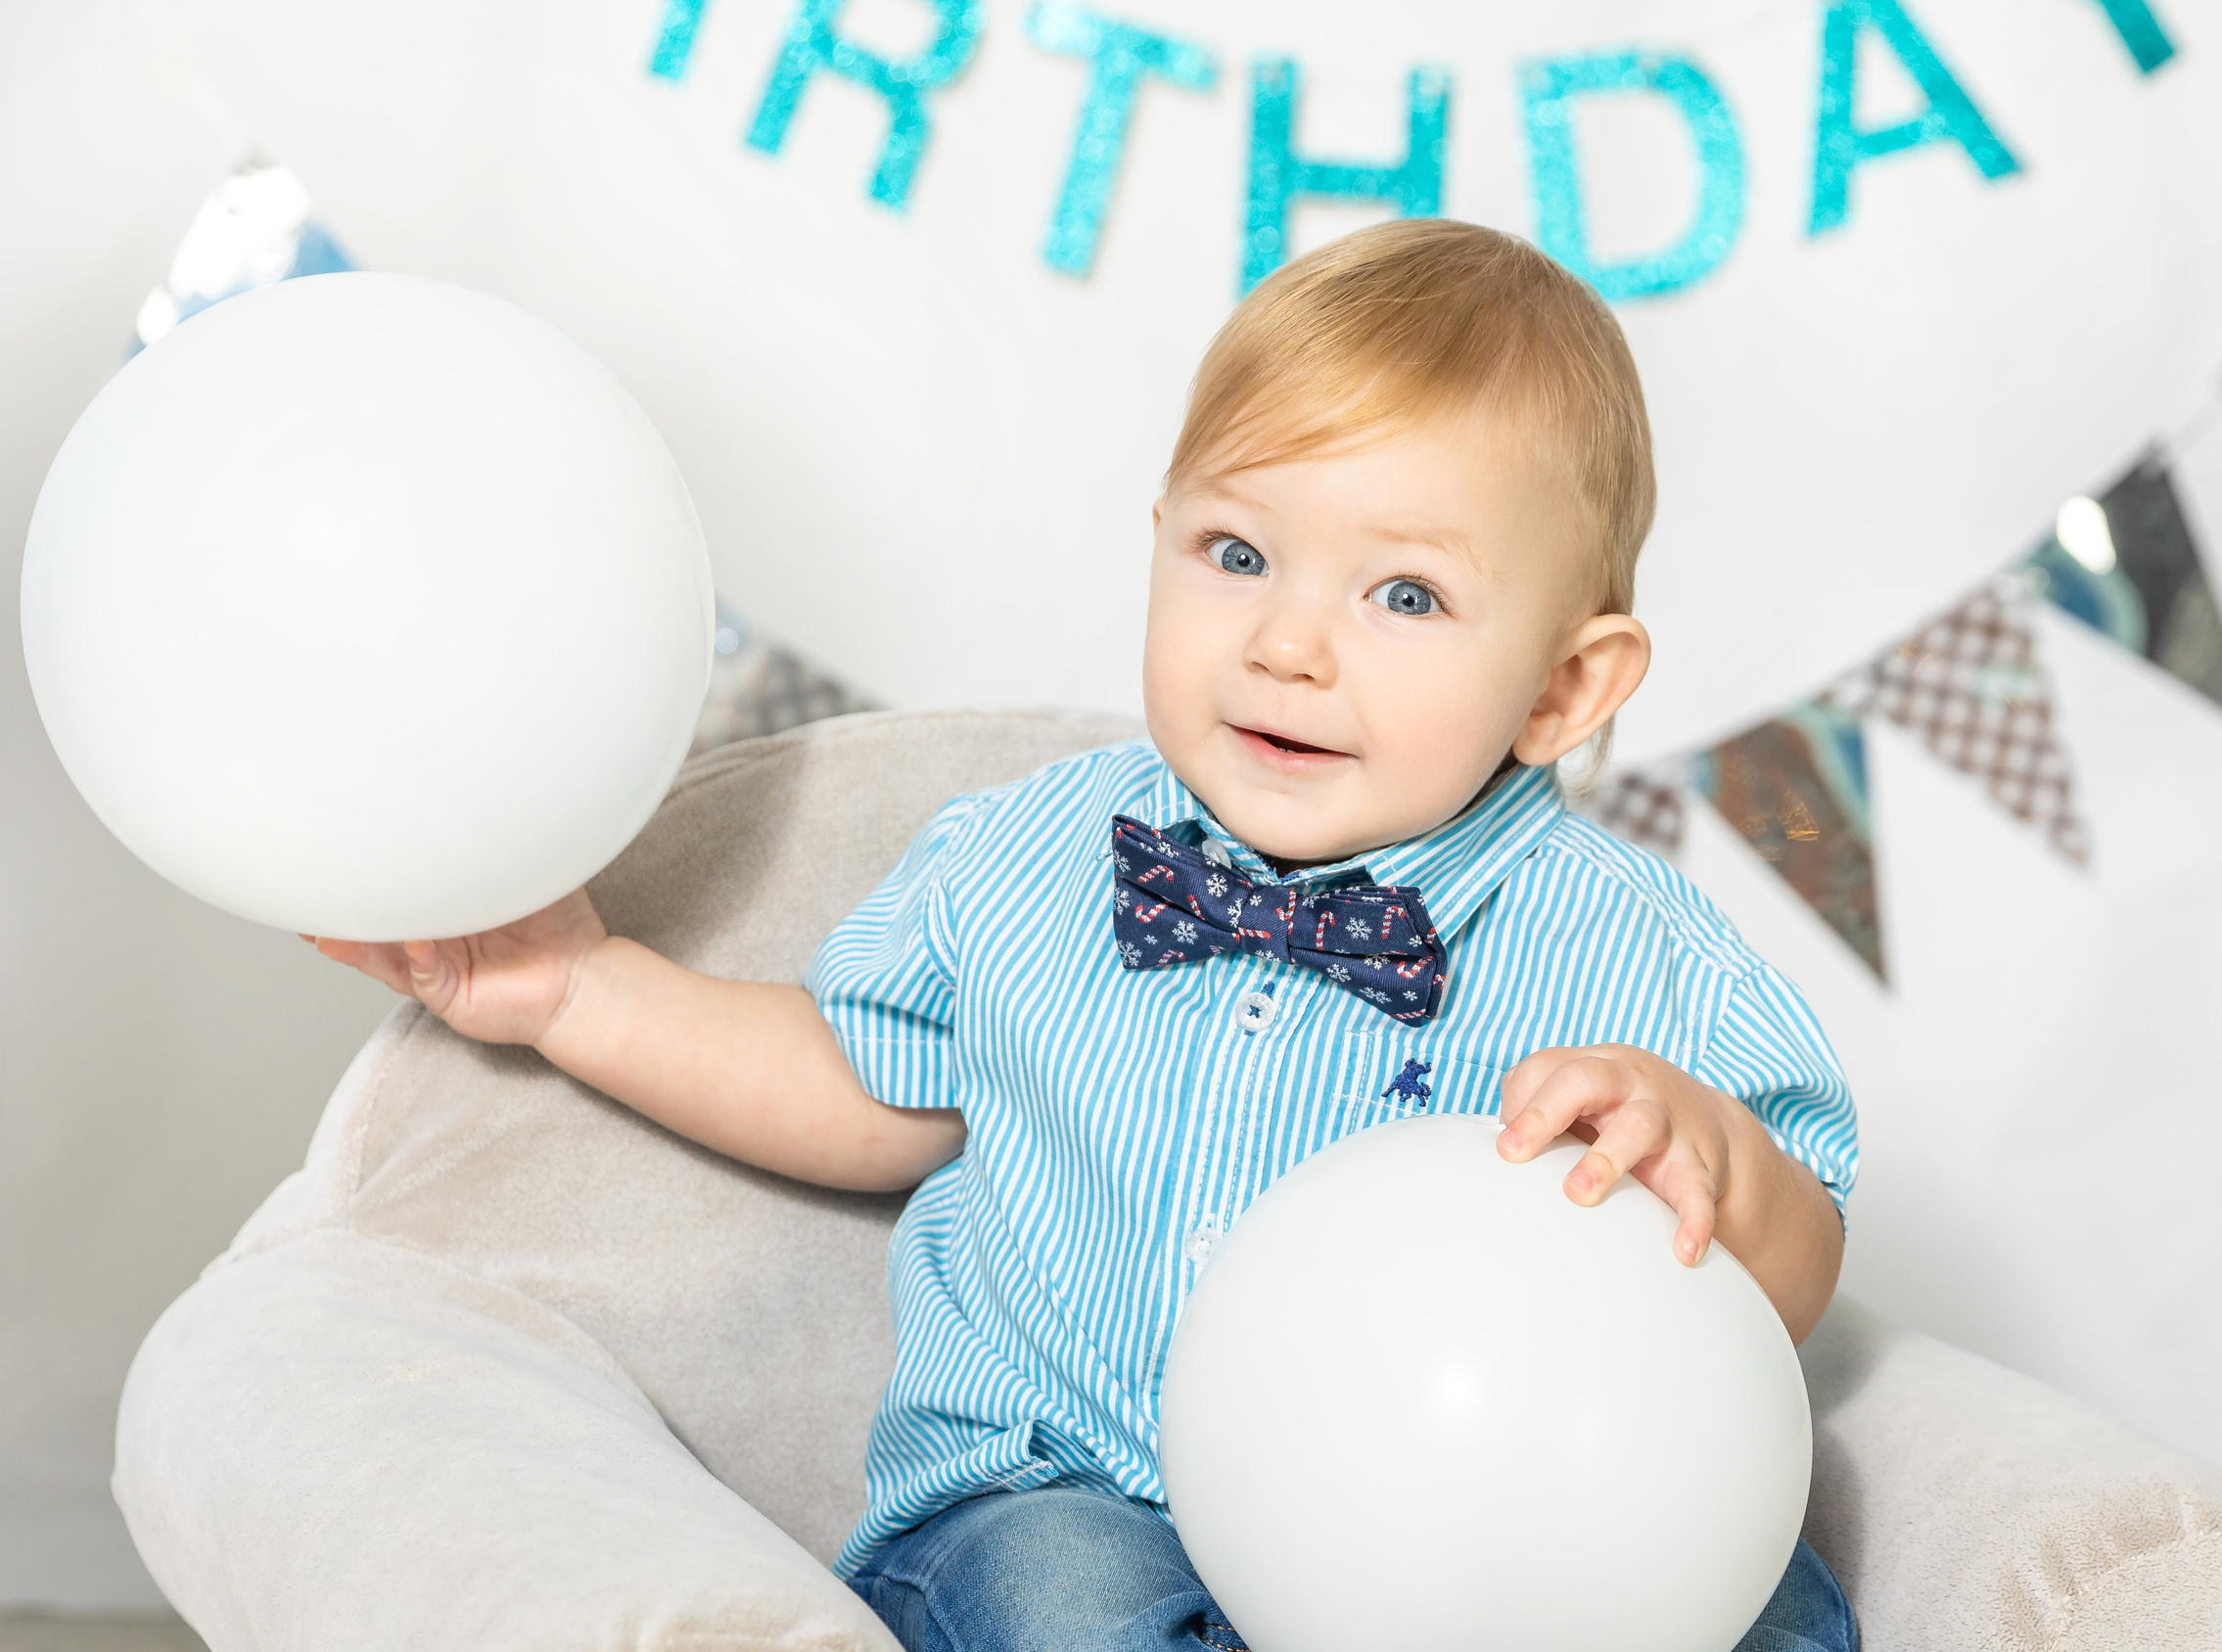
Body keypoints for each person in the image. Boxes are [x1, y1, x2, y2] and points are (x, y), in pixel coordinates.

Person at [310, 218, 1861, 1652]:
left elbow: (1795, 1263)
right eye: (1237, 554)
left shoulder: (1636, 950)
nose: (1287, 643)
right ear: (1162, 536)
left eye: (1405, 593)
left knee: (1767, 1602)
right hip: (1069, 1488)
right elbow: (864, 1084)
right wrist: (584, 988)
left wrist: (1712, 1156)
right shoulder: (1033, 852)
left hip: (1489, 1529)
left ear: (1562, 690)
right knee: (1067, 1607)